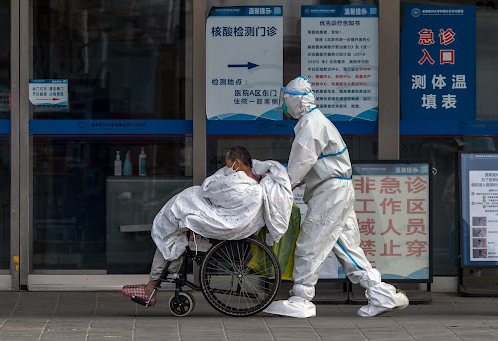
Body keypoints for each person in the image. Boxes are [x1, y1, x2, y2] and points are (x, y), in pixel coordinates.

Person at [264, 76, 409, 318]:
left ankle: (301, 298)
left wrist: (277, 185)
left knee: (310, 242)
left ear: (297, 100)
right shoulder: (314, 122)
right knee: (347, 246)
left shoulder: (312, 126)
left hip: (330, 192)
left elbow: (298, 166)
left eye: (287, 99)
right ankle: (381, 293)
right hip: (337, 190)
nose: (286, 105)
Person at [121, 146, 293, 305]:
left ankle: (152, 286)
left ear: (237, 163)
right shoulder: (252, 183)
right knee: (174, 227)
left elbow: (209, 189)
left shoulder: (243, 185)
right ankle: (154, 283)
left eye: (228, 165)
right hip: (220, 215)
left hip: (221, 221)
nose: (226, 170)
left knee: (172, 226)